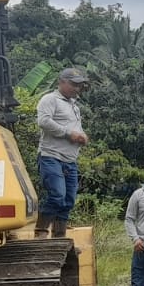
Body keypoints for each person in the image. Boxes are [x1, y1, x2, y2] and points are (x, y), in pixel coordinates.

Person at [35, 67, 89, 238]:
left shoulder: (74, 106)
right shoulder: (50, 99)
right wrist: (68, 134)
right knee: (57, 195)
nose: (77, 88)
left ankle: (59, 237)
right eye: (73, 84)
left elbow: (75, 128)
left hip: (70, 160)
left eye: (79, 85)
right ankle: (41, 231)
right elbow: (43, 121)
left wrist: (82, 136)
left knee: (68, 200)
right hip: (51, 156)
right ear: (61, 82)